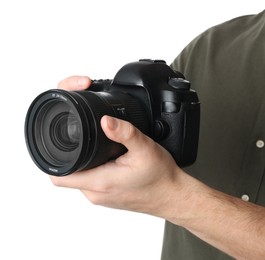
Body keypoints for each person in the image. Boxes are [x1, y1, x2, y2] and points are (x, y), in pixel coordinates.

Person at [50, 10, 265, 259]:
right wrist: (91, 126)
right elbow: (145, 154)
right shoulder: (213, 46)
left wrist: (174, 198)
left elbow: (168, 189)